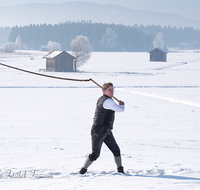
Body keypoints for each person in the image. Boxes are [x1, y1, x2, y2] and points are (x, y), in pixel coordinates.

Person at [79, 82, 125, 174]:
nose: (112, 92)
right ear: (104, 91)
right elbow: (121, 109)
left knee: (116, 150)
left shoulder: (106, 99)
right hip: (98, 130)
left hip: (106, 130)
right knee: (95, 154)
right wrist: (122, 104)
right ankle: (82, 171)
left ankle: (120, 171)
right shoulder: (107, 101)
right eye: (109, 90)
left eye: (112, 90)